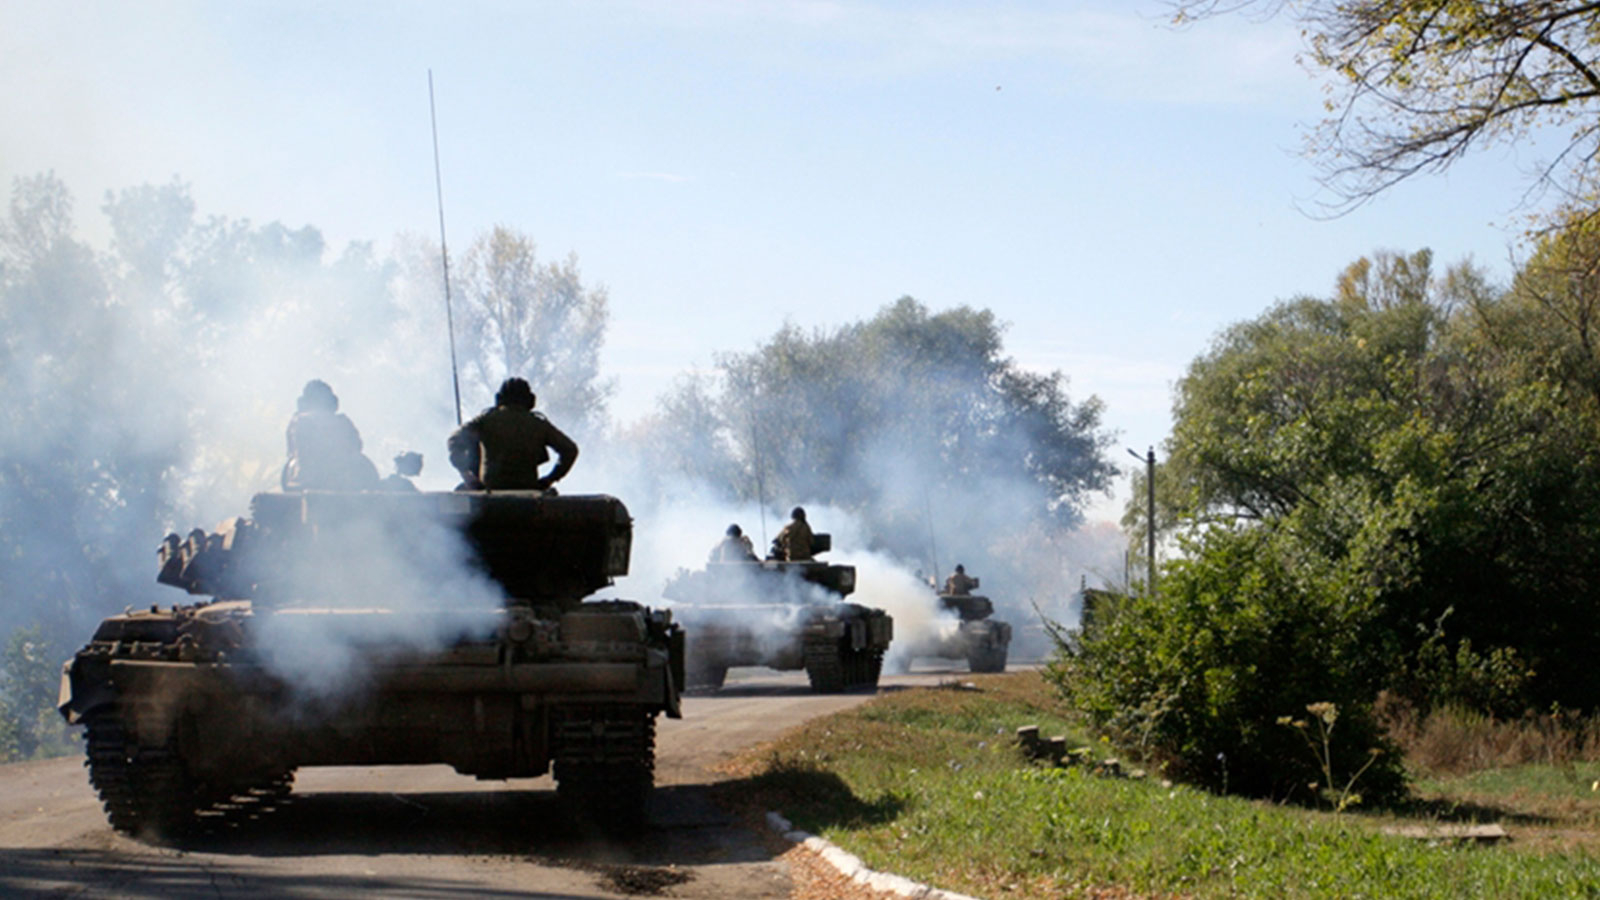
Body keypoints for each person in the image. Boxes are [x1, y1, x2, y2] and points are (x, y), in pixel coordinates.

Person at [448, 377, 578, 491]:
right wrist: (549, 479)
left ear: (499, 399)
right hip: (529, 491)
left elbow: (454, 440)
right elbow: (570, 450)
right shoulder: (538, 424)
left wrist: (466, 474)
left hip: (489, 491)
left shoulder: (485, 421)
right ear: (530, 401)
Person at [282, 379, 380, 491]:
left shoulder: (299, 421)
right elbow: (357, 445)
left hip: (307, 477)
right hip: (343, 476)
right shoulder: (343, 421)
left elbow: (292, 451)